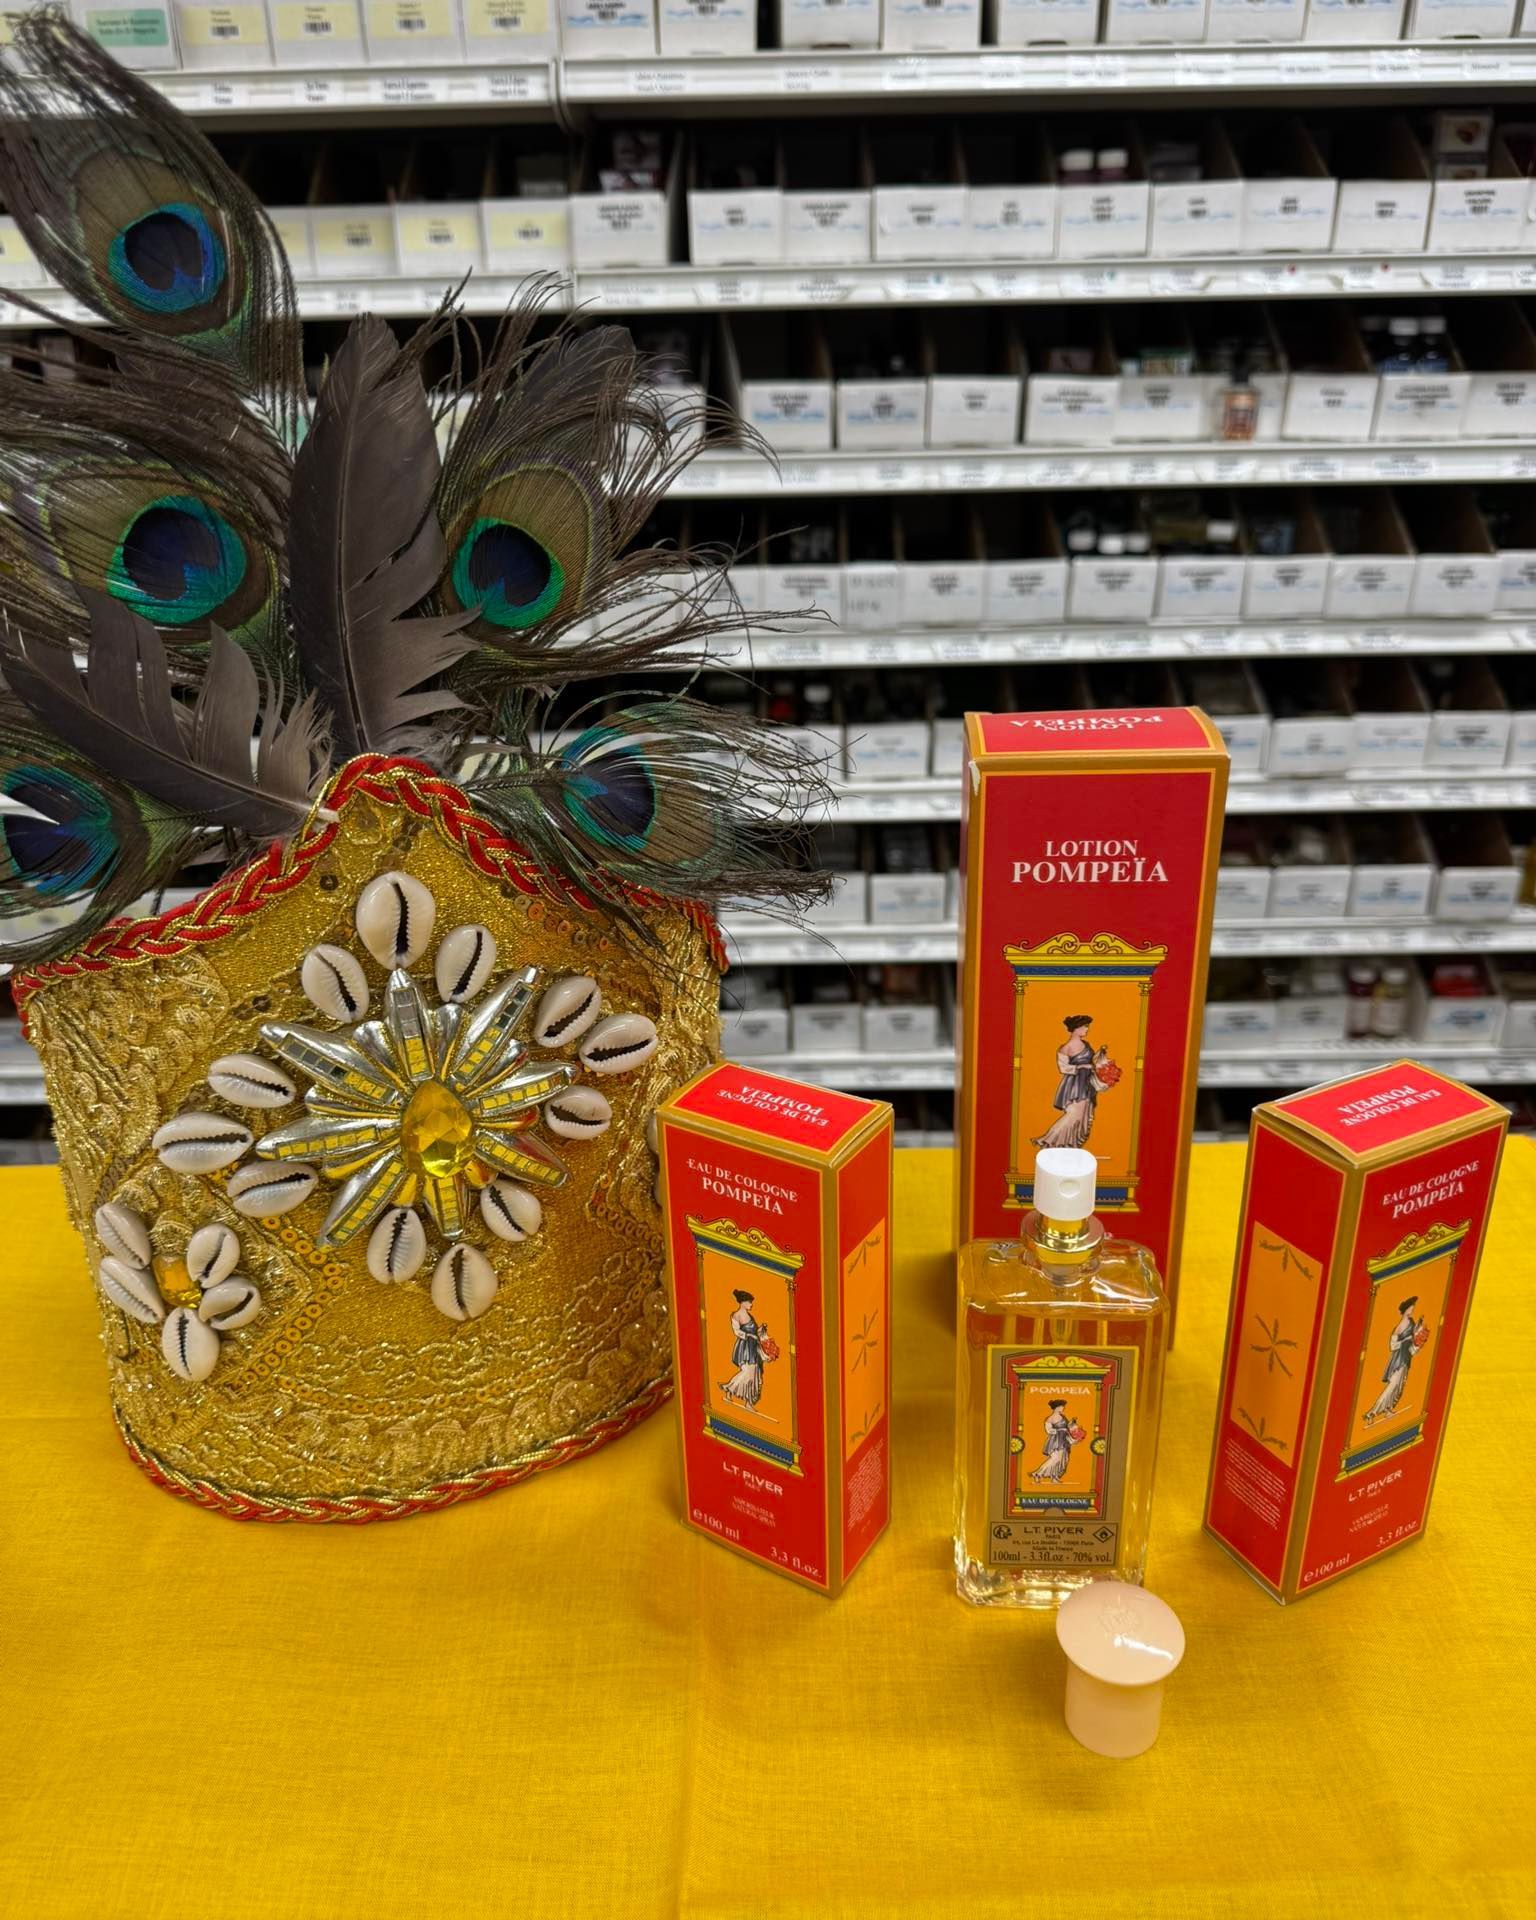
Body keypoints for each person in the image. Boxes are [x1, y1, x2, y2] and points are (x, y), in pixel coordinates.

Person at [1033, 1014, 1111, 1152]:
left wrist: (1101, 1053)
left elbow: (1091, 1061)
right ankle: (1049, 1141)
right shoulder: (1065, 1048)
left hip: (1088, 1083)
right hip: (1075, 1084)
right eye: (1085, 1027)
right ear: (1076, 1028)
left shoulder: (1086, 1044)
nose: (1087, 1030)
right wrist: (1081, 1067)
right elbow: (1063, 1068)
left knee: (1083, 1115)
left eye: (1087, 1027)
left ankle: (1071, 1145)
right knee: (1074, 1115)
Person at [1363, 1295, 1423, 1425]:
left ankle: (1389, 1409)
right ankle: (1371, 1413)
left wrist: (1418, 1334)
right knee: (1392, 1387)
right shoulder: (1401, 1325)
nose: (1413, 1308)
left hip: (1407, 1357)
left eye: (1413, 1306)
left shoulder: (1411, 1321)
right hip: (1398, 1359)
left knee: (1400, 1386)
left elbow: (1413, 1336)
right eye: (1411, 1306)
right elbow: (1392, 1345)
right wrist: (1405, 1341)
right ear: (1406, 1309)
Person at [722, 1289, 766, 1410]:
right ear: (742, 1302)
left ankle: (748, 1402)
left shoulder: (749, 1315)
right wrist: (749, 1336)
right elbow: (737, 1332)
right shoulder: (736, 1315)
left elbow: (754, 1331)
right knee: (748, 1373)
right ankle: (729, 1389)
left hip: (753, 1346)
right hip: (744, 1347)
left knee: (754, 1374)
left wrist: (760, 1330)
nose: (751, 1304)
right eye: (749, 1302)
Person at [1030, 1400, 1076, 1483]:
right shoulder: (1050, 1418)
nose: (1064, 1408)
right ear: (1057, 1407)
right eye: (1062, 1406)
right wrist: (1060, 1430)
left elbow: (1068, 1426)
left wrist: (1072, 1423)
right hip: (1055, 1441)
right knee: (1055, 1459)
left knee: (1063, 1459)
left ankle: (1054, 1477)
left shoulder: (1063, 1416)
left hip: (1064, 1440)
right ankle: (1037, 1473)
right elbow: (1049, 1430)